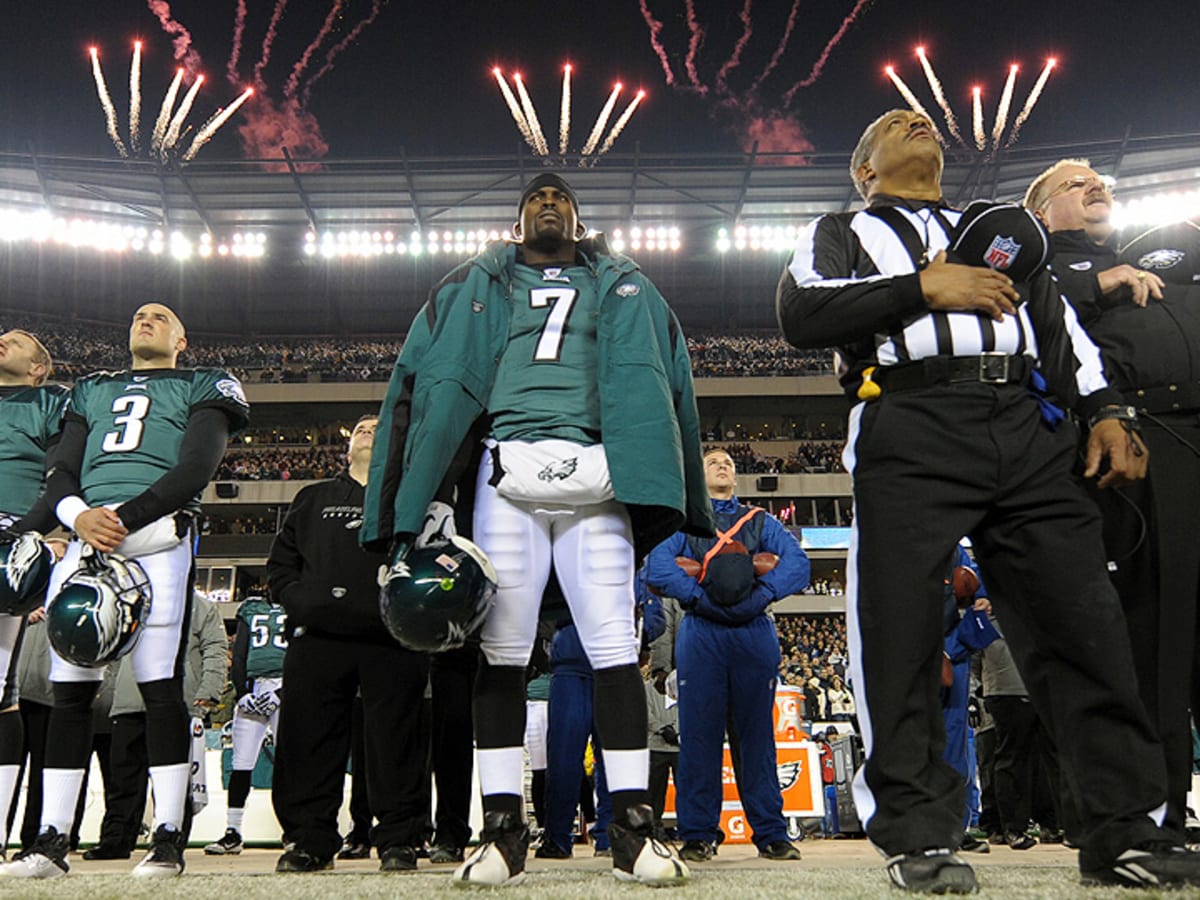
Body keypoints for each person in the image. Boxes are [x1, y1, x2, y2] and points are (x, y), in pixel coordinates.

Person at [775, 108, 1200, 893]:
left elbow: (1060, 323)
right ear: (863, 170)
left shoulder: (998, 227)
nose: (916, 118)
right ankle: (917, 834)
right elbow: (802, 312)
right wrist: (922, 286)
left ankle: (1123, 830)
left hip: (1026, 426)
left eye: (923, 118)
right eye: (891, 124)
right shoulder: (837, 229)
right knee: (900, 630)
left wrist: (1103, 410)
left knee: (1086, 625)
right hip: (909, 419)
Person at [361, 172, 713, 887]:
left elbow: (672, 381)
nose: (548, 203)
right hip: (504, 473)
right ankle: (500, 832)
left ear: (579, 221)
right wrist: (423, 495)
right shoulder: (471, 284)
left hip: (599, 470)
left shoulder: (628, 283)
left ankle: (633, 832)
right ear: (517, 221)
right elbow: (421, 383)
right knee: (503, 651)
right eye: (534, 199)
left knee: (615, 647)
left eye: (561, 198)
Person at [0, 303, 248, 880]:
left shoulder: (205, 382)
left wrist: (127, 516)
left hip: (157, 531)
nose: (146, 319)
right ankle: (50, 839)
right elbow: (60, 470)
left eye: (161, 316)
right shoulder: (89, 389)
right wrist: (79, 517)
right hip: (91, 531)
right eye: (139, 314)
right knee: (70, 688)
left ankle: (166, 838)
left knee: (159, 684)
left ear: (182, 339)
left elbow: (196, 466)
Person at [1024, 159, 1200, 843]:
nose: (1097, 186)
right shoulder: (1039, 267)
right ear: (1040, 211)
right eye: (1076, 183)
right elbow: (1027, 315)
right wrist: (1093, 283)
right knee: (1150, 638)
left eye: (1103, 181)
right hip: (1134, 453)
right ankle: (1153, 811)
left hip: (1188, 441)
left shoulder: (1151, 255)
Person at [268, 415, 431, 873]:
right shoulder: (312, 497)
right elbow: (281, 566)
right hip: (318, 637)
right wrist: (302, 603)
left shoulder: (413, 500)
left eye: (379, 428)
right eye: (360, 427)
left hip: (392, 637)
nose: (367, 431)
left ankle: (400, 838)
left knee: (397, 741)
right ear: (346, 446)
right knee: (307, 742)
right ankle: (308, 839)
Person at [645, 447, 809, 862]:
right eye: (714, 462)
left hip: (753, 630)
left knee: (756, 736)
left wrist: (765, 595)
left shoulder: (759, 520)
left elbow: (799, 565)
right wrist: (698, 599)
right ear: (699, 477)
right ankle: (699, 833)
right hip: (703, 630)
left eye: (729, 464)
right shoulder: (685, 519)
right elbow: (658, 568)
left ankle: (771, 832)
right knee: (698, 737)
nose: (724, 466)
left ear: (736, 478)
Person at [90, 590, 228, 857]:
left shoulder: (201, 606)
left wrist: (209, 691)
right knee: (123, 779)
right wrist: (108, 693)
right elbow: (115, 651)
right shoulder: (131, 602)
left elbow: (215, 648)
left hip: (177, 702)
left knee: (173, 779)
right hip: (129, 702)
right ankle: (116, 840)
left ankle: (170, 840)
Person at [0, 329, 67, 858]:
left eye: (17, 340)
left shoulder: (49, 401)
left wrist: (55, 534)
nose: (2, 340)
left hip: (12, 537)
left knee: (0, 686)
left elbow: (64, 472)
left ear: (38, 367)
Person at [204, 593, 287, 855]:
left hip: (286, 686)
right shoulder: (251, 609)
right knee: (241, 763)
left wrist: (281, 693)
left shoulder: (296, 603)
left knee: (292, 765)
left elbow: (305, 653)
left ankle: (296, 828)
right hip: (256, 687)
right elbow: (239, 655)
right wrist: (242, 694)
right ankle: (233, 831)